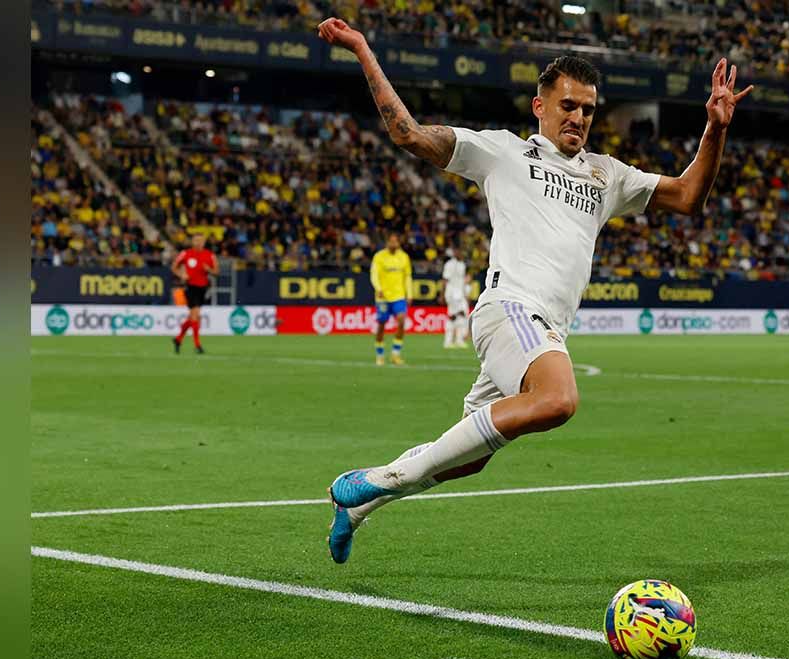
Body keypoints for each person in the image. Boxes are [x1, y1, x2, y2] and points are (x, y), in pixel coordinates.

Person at [316, 16, 752, 564]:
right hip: (511, 310)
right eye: (568, 105)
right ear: (539, 106)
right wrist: (361, 49)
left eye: (589, 110)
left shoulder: (606, 175)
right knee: (559, 399)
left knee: (468, 458)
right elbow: (408, 133)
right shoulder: (502, 152)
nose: (579, 118)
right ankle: (379, 478)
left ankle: (356, 504)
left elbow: (689, 196)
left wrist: (715, 129)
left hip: (541, 326)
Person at [369, 233, 412, 366]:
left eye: (396, 241)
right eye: (391, 241)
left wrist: (409, 294)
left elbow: (407, 277)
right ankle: (380, 354)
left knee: (401, 321)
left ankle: (395, 354)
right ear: (387, 242)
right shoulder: (379, 257)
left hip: (398, 296)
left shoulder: (404, 257)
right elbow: (374, 274)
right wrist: (378, 288)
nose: (393, 244)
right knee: (381, 325)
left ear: (399, 243)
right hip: (383, 297)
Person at [172, 233, 218, 354]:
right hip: (190, 287)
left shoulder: (210, 255)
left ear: (204, 242)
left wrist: (209, 270)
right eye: (196, 240)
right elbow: (174, 267)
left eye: (200, 241)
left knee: (193, 317)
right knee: (196, 314)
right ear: (192, 242)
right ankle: (197, 345)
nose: (198, 243)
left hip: (202, 288)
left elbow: (216, 272)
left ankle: (178, 339)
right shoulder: (186, 253)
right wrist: (182, 274)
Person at [442, 245, 471, 349]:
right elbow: (445, 280)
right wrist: (442, 294)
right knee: (453, 316)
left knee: (462, 314)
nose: (460, 254)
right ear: (454, 252)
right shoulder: (449, 264)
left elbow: (462, 282)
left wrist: (465, 294)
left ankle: (458, 340)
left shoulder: (462, 264)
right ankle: (448, 341)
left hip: (460, 294)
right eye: (458, 251)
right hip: (451, 293)